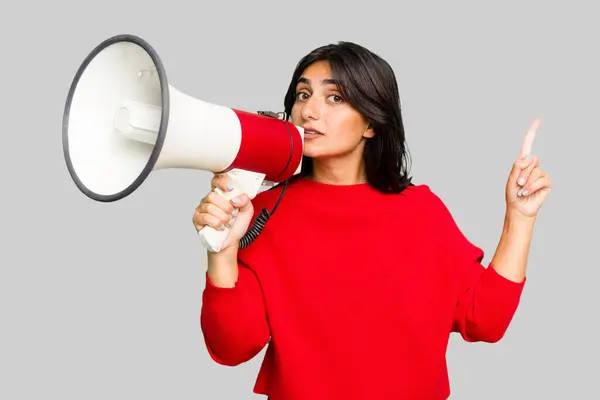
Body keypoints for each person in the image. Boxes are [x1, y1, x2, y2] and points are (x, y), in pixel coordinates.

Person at [192, 42, 552, 400]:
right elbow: (233, 348)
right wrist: (221, 252)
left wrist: (519, 218)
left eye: (334, 98)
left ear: (371, 123)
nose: (309, 111)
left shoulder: (421, 212)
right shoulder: (261, 212)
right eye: (303, 95)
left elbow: (485, 319)